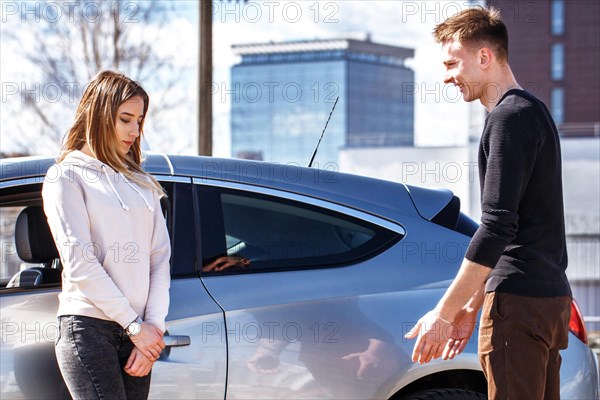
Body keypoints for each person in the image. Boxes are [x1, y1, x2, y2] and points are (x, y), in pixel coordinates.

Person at [404, 7, 572, 400]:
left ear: (484, 57)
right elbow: (523, 227)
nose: (447, 76)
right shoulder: (533, 111)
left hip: (519, 305)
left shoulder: (508, 118)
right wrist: (471, 307)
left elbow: (497, 226)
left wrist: (443, 314)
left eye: (452, 62)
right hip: (548, 300)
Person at [42, 70, 171, 399]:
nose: (134, 130)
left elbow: (159, 258)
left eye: (139, 120)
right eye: (125, 118)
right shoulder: (66, 176)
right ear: (99, 115)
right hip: (89, 328)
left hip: (139, 333)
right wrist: (134, 326)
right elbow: (79, 263)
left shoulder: (142, 182)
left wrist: (151, 329)